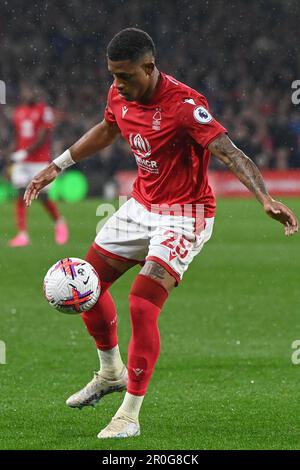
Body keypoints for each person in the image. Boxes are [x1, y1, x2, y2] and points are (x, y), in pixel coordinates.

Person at [24, 28, 298, 439]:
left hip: (185, 215)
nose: (117, 83)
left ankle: (129, 415)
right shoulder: (121, 93)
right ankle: (110, 371)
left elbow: (230, 152)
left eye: (126, 75)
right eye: (113, 75)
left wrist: (264, 198)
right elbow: (107, 128)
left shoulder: (185, 106)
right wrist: (57, 165)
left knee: (141, 304)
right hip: (140, 206)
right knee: (88, 282)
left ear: (149, 67)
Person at [8, 83, 68, 247]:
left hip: (39, 161)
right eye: (26, 91)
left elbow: (43, 136)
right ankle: (22, 234)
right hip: (22, 162)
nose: (28, 94)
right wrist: (10, 153)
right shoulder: (19, 112)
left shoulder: (44, 110)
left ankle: (59, 223)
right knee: (20, 194)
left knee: (43, 197)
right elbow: (18, 136)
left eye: (31, 91)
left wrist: (26, 152)